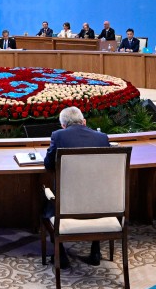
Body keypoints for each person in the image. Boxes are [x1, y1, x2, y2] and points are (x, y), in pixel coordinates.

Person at [44, 106, 110, 267]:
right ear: (84, 122)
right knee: (94, 191)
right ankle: (95, 251)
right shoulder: (102, 138)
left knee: (45, 207)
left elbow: (48, 164)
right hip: (99, 203)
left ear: (63, 125)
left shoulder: (58, 135)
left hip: (67, 204)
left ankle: (61, 254)